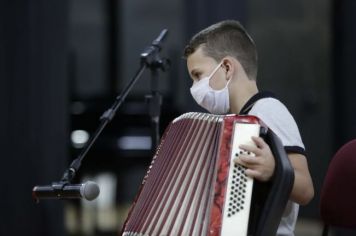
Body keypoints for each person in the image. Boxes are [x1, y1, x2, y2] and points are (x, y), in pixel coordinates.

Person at [183, 20, 314, 236]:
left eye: (197, 75)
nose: (195, 87)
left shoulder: (269, 110)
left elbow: (306, 190)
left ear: (226, 68)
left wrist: (275, 169)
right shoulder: (229, 125)